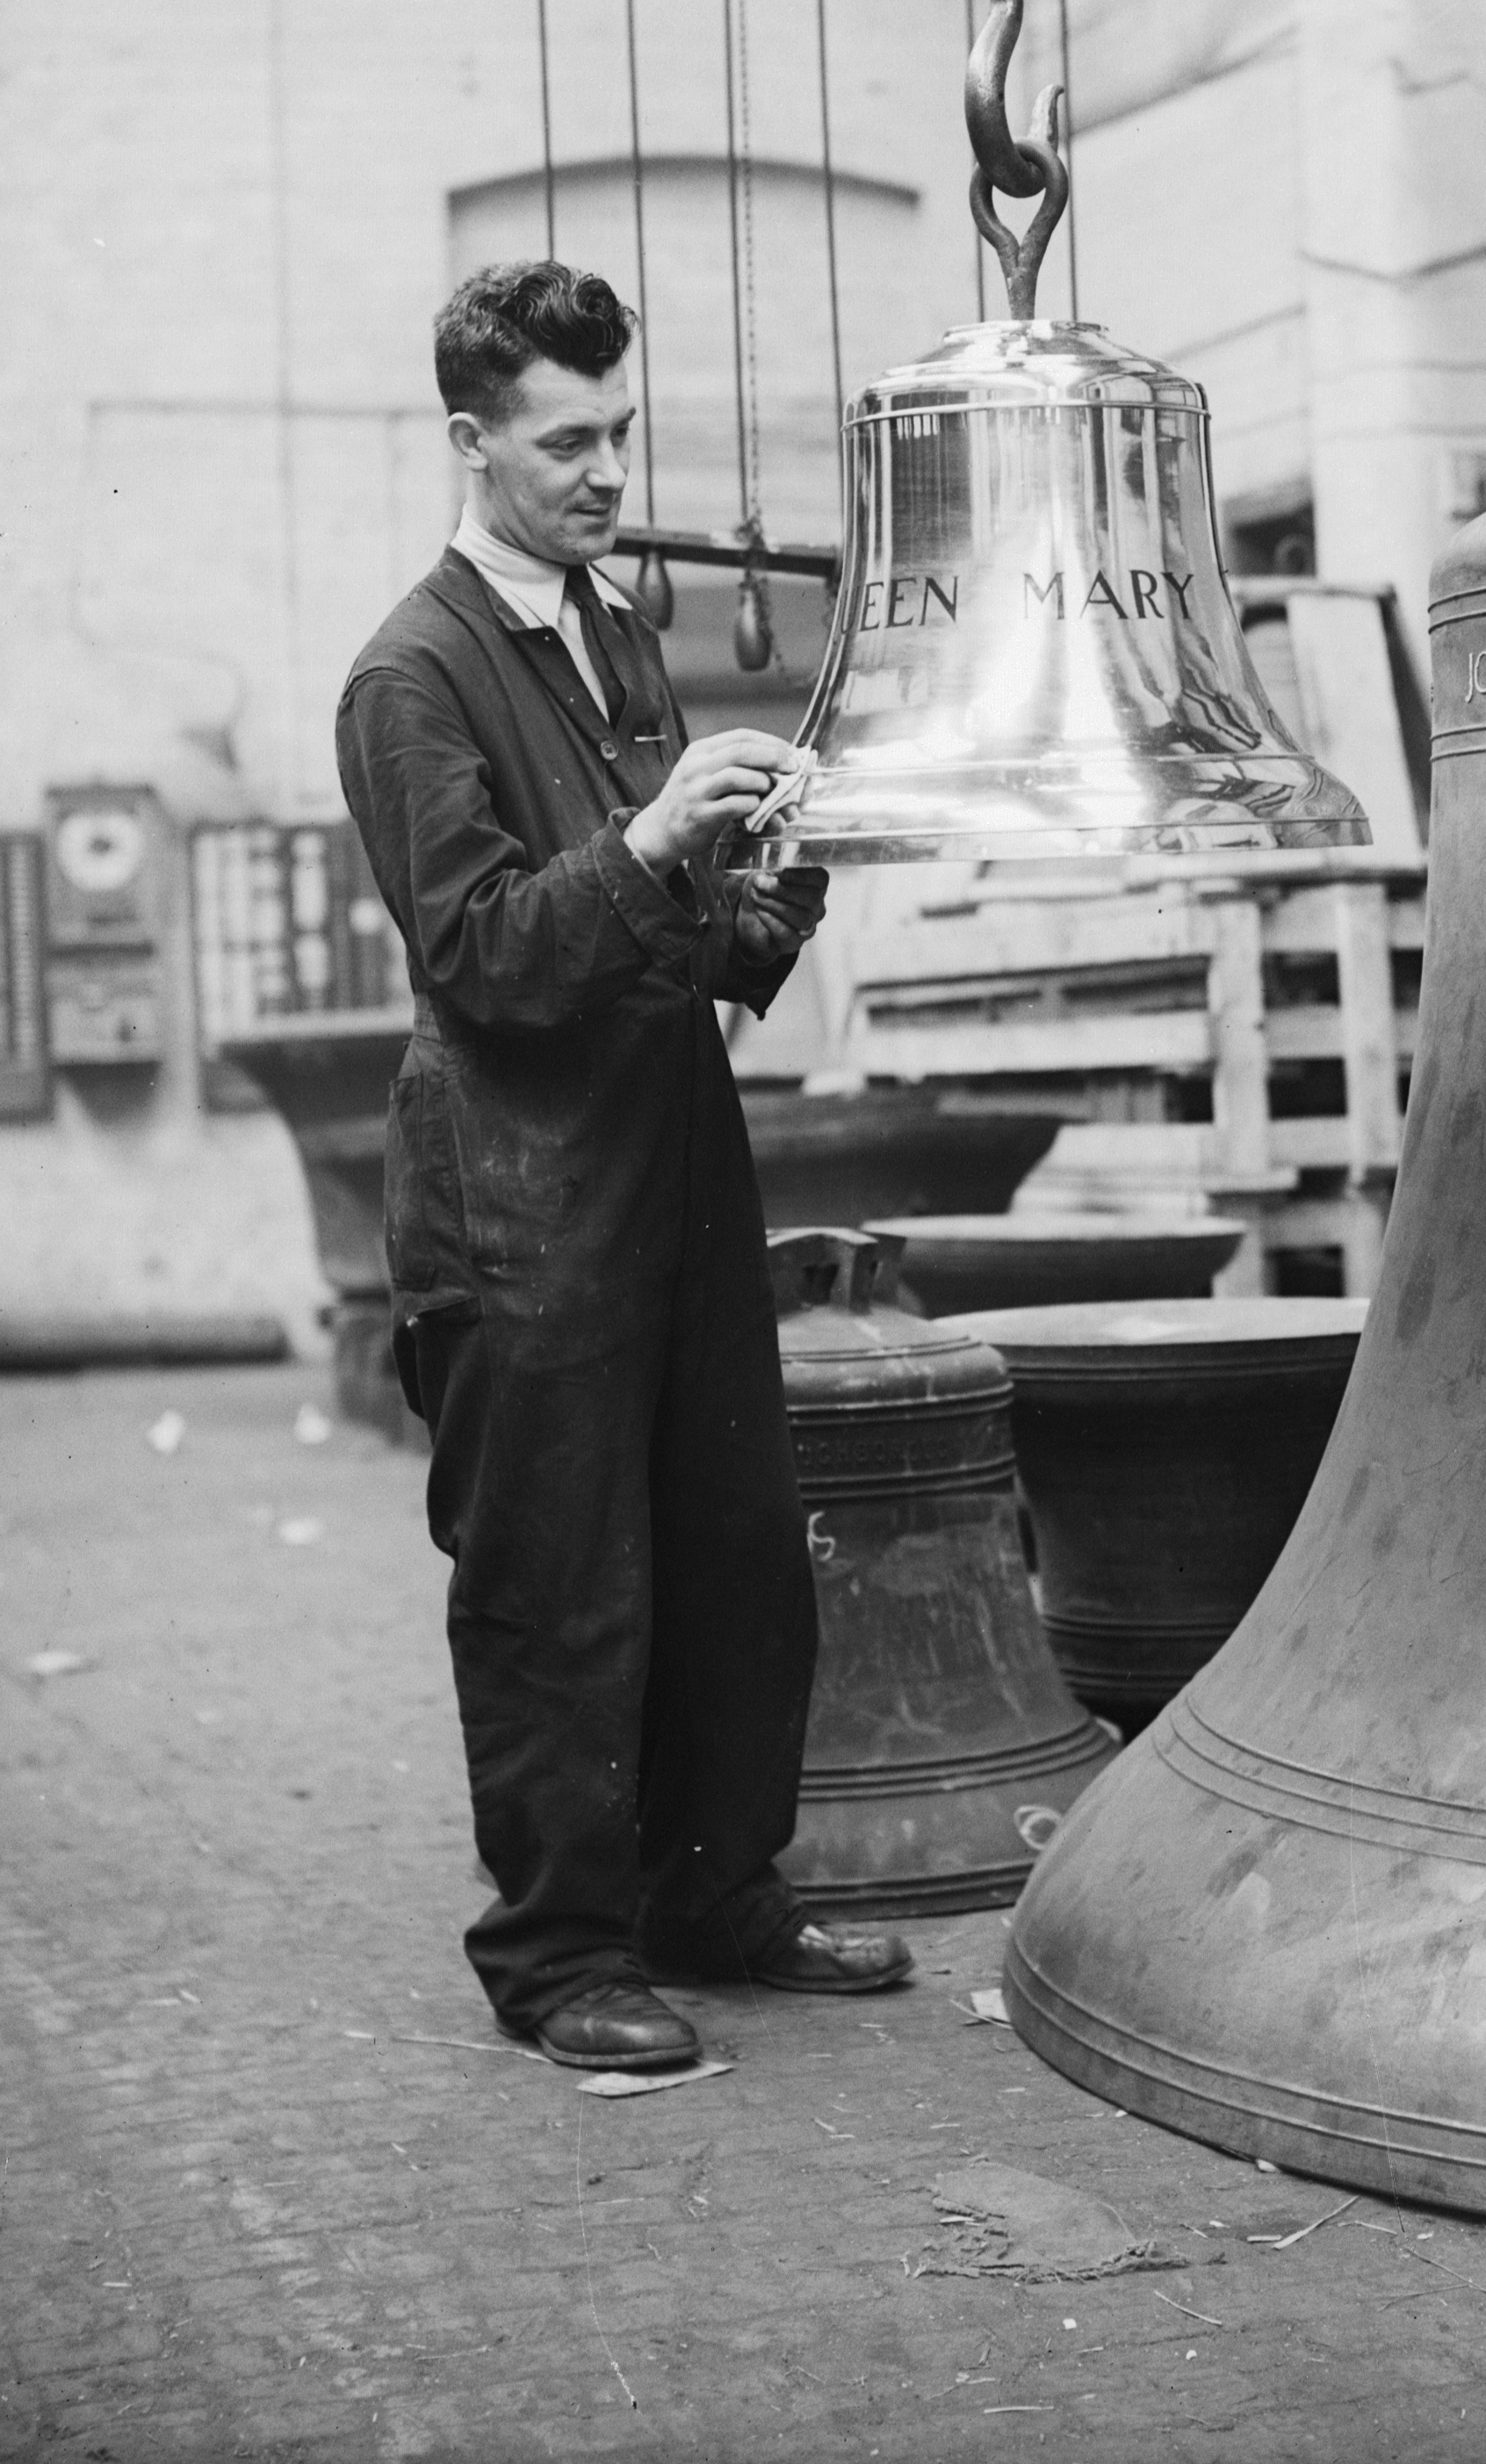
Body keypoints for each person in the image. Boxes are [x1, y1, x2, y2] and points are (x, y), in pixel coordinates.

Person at [335, 259, 912, 2073]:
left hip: (668, 1177)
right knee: (557, 1585)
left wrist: (793, 858)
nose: (602, 471)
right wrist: (661, 837)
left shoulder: (609, 629)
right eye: (564, 440)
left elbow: (693, 949)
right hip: (519, 1217)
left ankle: (709, 1893)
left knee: (735, 1550)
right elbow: (493, 957)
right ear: (469, 441)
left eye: (619, 434)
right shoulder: (409, 677)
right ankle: (562, 1954)